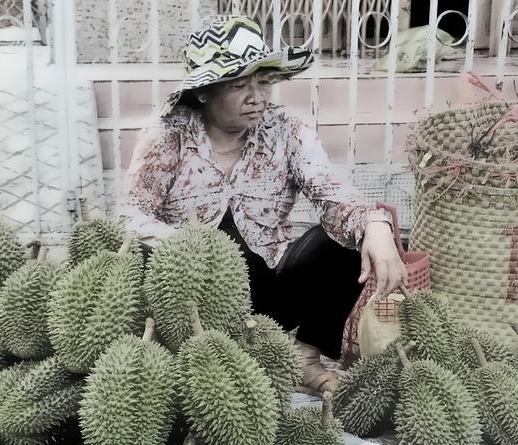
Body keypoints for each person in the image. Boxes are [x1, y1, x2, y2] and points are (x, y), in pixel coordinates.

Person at [118, 15, 406, 394]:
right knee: (137, 256)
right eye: (239, 84)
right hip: (192, 295)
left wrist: (376, 225)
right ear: (204, 91)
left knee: (340, 239)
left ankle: (303, 357)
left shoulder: (286, 131)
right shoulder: (166, 136)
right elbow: (132, 216)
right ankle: (177, 357)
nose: (257, 96)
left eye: (264, 81)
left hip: (268, 292)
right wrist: (189, 248)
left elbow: (331, 193)